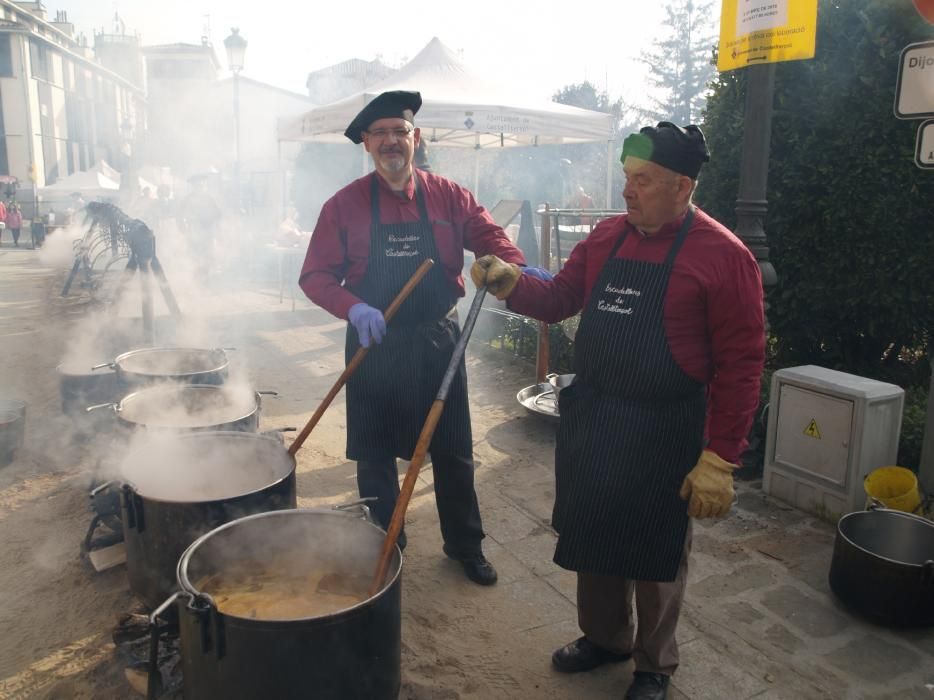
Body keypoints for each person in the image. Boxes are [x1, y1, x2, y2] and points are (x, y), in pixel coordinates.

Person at [471, 122, 765, 699]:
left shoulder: (724, 257)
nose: (627, 191)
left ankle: (654, 663)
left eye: (643, 181)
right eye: (627, 178)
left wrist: (720, 457)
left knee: (657, 553)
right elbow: (558, 298)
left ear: (682, 186)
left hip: (667, 428)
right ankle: (605, 638)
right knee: (596, 536)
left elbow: (742, 365)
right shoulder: (606, 238)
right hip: (599, 416)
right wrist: (512, 284)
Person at [299, 90, 539, 586]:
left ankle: (465, 545)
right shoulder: (342, 207)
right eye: (381, 134)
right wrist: (353, 306)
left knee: (453, 449)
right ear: (366, 143)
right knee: (375, 453)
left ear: (417, 138)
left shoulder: (451, 196)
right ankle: (386, 544)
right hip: (374, 342)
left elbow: (496, 242)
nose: (391, 142)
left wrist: (505, 265)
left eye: (400, 132)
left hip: (437, 340)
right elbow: (315, 276)